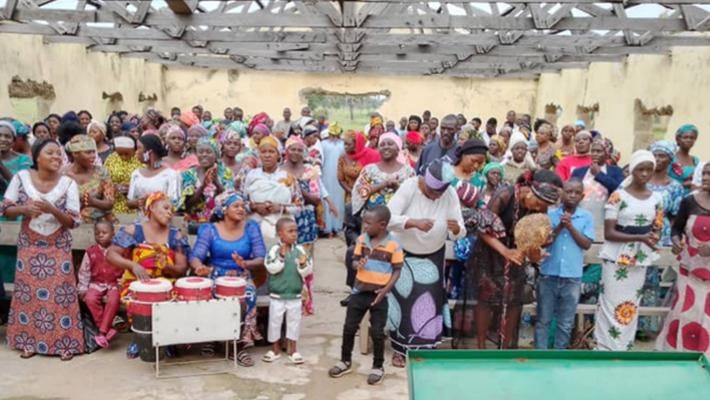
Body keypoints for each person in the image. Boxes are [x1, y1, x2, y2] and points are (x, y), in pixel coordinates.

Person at [1, 139, 84, 360]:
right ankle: (29, 342)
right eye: (51, 153)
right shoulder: (21, 178)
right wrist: (25, 210)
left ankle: (64, 344)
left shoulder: (68, 184)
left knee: (61, 296)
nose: (57, 157)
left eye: (59, 154)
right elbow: (5, 208)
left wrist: (53, 210)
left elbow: (74, 222)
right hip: (29, 247)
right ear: (37, 156)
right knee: (28, 295)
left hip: (58, 247)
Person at [468, 169, 563, 349]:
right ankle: (481, 346)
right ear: (531, 190)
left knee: (513, 301)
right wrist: (505, 251)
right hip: (490, 251)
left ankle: (505, 347)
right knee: (485, 300)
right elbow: (482, 230)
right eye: (539, 202)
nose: (540, 208)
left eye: (546, 206)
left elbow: (532, 240)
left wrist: (535, 253)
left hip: (515, 255)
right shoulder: (505, 194)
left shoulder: (540, 207)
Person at [387, 160, 466, 366]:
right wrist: (413, 222)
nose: (435, 197)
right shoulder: (410, 187)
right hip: (405, 254)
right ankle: (400, 350)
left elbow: (460, 230)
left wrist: (456, 229)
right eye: (432, 192)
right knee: (404, 301)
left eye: (439, 193)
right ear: (423, 180)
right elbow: (386, 217)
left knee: (428, 303)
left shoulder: (449, 195)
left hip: (433, 256)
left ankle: (426, 348)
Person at [594, 150, 664, 351]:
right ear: (632, 170)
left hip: (640, 258)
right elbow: (609, 232)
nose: (644, 174)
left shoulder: (657, 199)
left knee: (631, 306)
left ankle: (624, 347)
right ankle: (605, 348)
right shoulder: (618, 196)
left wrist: (652, 238)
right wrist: (639, 237)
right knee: (610, 303)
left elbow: (656, 228)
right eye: (640, 169)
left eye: (649, 170)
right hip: (616, 256)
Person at [106, 192, 189, 357]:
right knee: (138, 298)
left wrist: (168, 268)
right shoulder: (134, 231)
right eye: (165, 208)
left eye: (171, 209)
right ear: (150, 208)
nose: (169, 212)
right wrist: (132, 265)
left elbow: (182, 269)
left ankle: (167, 340)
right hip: (137, 283)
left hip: (166, 283)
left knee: (173, 298)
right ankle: (140, 338)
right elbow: (111, 254)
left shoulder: (176, 235)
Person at [189, 191, 266, 366]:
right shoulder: (210, 229)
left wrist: (245, 263)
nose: (241, 209)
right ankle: (211, 337)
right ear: (224, 210)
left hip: (242, 276)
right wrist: (198, 267)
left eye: (242, 206)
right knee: (209, 294)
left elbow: (261, 258)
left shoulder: (251, 227)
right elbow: (196, 255)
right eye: (236, 206)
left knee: (247, 294)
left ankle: (238, 346)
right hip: (215, 275)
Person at [329, 206, 403, 385]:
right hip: (359, 292)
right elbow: (354, 261)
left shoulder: (393, 244)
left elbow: (397, 270)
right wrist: (357, 264)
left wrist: (385, 290)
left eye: (369, 223)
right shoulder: (362, 240)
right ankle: (345, 361)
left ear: (382, 225)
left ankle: (378, 366)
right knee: (349, 328)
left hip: (380, 295)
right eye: (364, 222)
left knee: (377, 332)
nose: (364, 226)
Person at [656, 163, 710, 356]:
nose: (705, 178)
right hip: (690, 272)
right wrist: (677, 241)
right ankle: (680, 355)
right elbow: (677, 228)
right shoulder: (690, 201)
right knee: (685, 312)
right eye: (703, 174)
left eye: (709, 175)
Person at [535, 179, 594, 349]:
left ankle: (559, 355)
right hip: (549, 275)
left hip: (572, 277)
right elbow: (544, 242)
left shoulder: (586, 217)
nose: (572, 195)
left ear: (582, 196)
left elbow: (586, 244)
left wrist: (571, 227)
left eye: (577, 193)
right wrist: (560, 226)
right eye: (569, 192)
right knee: (543, 320)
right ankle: (541, 355)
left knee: (565, 323)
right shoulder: (550, 215)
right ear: (562, 193)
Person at [263, 218, 312, 365]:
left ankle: (293, 350)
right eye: (290, 231)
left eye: (296, 231)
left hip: (295, 295)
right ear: (280, 234)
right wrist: (281, 257)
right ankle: (274, 349)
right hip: (277, 295)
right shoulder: (274, 250)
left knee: (294, 322)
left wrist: (303, 264)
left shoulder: (300, 250)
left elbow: (307, 271)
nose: (294, 234)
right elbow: (272, 268)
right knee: (275, 322)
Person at [77, 221, 122, 348]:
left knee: (113, 299)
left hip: (114, 283)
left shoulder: (118, 250)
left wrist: (123, 282)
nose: (100, 235)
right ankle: (108, 328)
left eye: (104, 233)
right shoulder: (91, 252)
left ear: (113, 234)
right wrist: (82, 287)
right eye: (97, 233)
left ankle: (102, 331)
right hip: (97, 283)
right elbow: (84, 271)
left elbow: (125, 268)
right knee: (90, 298)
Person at [572, 137, 624, 241]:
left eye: (599, 151)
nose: (595, 154)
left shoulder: (616, 171)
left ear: (607, 153)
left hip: (603, 219)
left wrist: (599, 175)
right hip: (580, 216)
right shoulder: (579, 171)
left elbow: (619, 191)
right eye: (593, 151)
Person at [351, 132, 415, 215]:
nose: (386, 147)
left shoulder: (408, 172)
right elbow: (361, 193)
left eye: (390, 144)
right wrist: (383, 184)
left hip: (398, 221)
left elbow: (413, 198)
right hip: (372, 221)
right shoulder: (369, 170)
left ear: (398, 148)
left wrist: (397, 187)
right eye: (382, 145)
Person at [181, 137, 234, 225]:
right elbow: (187, 204)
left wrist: (216, 182)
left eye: (209, 152)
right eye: (200, 152)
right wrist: (202, 186)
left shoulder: (226, 173)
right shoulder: (189, 174)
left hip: (220, 224)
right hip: (194, 224)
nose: (204, 155)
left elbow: (230, 200)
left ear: (216, 155)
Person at [64, 135, 115, 223]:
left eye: (93, 152)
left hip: (101, 224)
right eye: (88, 153)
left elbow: (109, 203)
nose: (93, 156)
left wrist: (93, 202)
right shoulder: (62, 175)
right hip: (71, 223)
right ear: (75, 154)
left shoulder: (102, 172)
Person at [127, 134, 180, 215]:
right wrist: (139, 202)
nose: (136, 152)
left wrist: (151, 200)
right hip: (142, 221)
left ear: (149, 152)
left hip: (163, 221)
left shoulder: (170, 175)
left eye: (138, 148)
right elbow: (129, 202)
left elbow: (175, 203)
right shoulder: (136, 174)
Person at [648, 140, 685, 246]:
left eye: (662, 156)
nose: (657, 159)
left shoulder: (675, 187)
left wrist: (674, 238)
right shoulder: (640, 181)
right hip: (639, 227)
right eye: (654, 155)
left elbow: (675, 217)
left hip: (663, 233)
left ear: (670, 159)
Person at [103, 135, 142, 216]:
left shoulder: (139, 160)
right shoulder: (111, 159)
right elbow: (104, 178)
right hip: (115, 205)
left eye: (127, 154)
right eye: (120, 154)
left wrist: (132, 188)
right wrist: (113, 187)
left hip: (134, 205)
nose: (123, 157)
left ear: (133, 150)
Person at [320, 122, 346, 235]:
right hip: (326, 174)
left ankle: (338, 225)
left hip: (339, 175)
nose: (334, 137)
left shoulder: (343, 144)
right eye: (332, 134)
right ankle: (327, 226)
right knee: (327, 198)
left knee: (339, 200)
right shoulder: (323, 144)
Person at [669, 124, 700, 193]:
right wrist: (683, 185)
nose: (689, 140)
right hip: (674, 197)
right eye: (685, 137)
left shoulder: (696, 161)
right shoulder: (670, 159)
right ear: (678, 139)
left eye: (692, 138)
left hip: (690, 199)